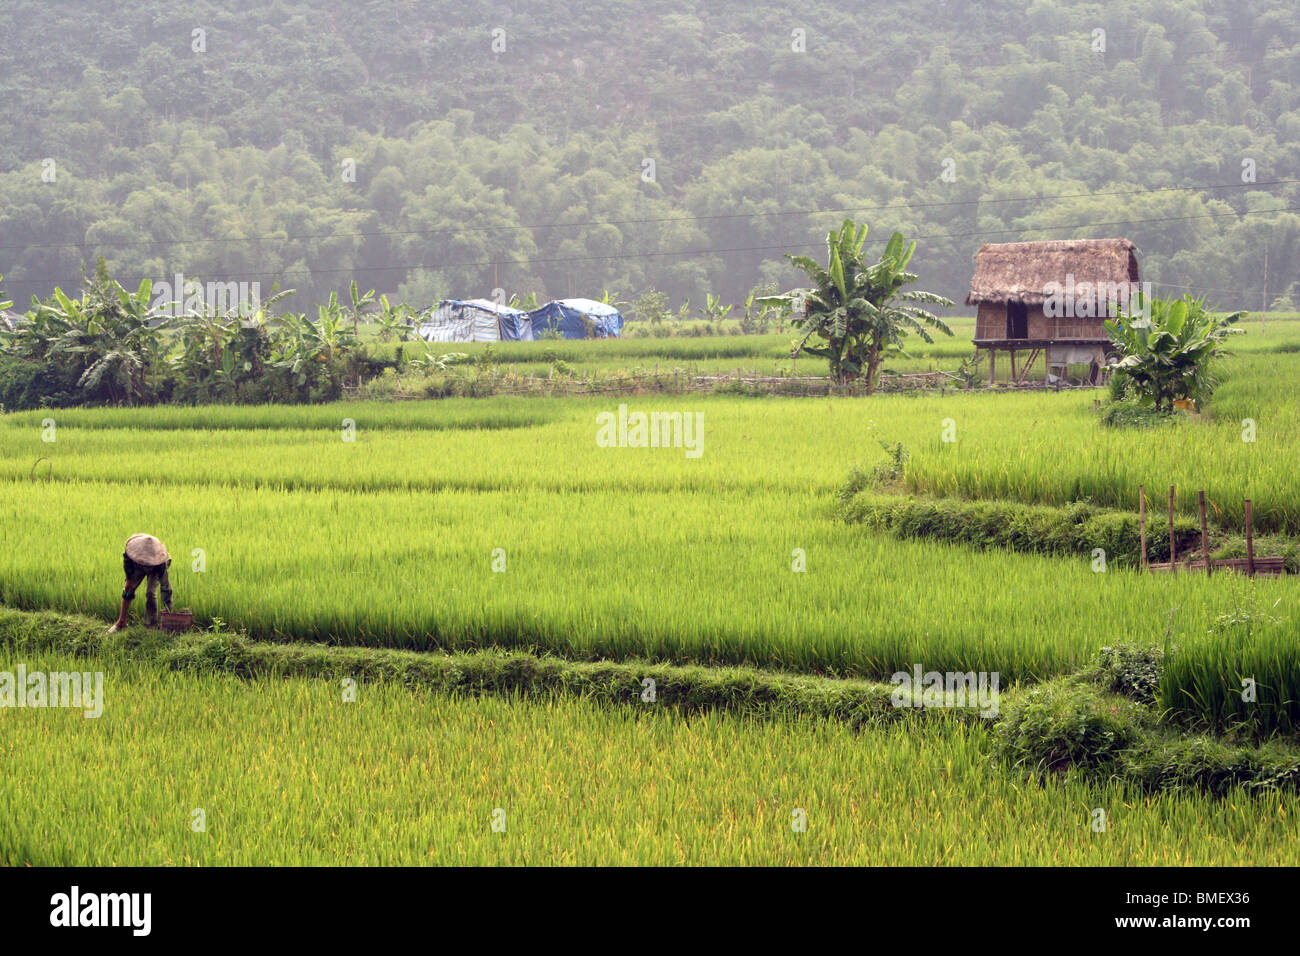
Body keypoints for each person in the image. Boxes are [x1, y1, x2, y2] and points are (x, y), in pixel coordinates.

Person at [108, 533, 174, 632]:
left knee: (150, 592)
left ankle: (150, 625)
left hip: (155, 567)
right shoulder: (131, 554)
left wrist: (169, 615)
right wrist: (129, 580)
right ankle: (121, 622)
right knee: (128, 591)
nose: (145, 562)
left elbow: (166, 588)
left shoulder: (161, 563)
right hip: (137, 566)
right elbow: (128, 567)